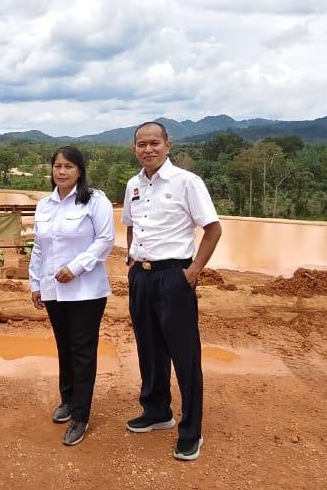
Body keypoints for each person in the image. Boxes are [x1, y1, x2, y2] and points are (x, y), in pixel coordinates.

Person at [121, 121, 222, 461]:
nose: (148, 149)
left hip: (175, 277)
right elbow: (131, 225)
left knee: (185, 355)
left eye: (154, 143)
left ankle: (191, 430)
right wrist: (132, 260)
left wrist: (193, 272)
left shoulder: (187, 182)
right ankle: (156, 411)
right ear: (134, 148)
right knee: (149, 348)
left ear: (168, 145)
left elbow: (213, 229)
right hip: (142, 277)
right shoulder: (133, 184)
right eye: (141, 144)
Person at [29, 145, 114, 446]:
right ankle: (67, 399)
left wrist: (75, 268)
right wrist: (35, 284)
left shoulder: (95, 200)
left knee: (82, 351)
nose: (62, 171)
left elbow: (105, 240)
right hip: (53, 289)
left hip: (86, 291)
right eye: (57, 166)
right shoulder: (44, 205)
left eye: (69, 166)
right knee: (64, 347)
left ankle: (81, 415)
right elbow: (39, 247)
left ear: (79, 171)